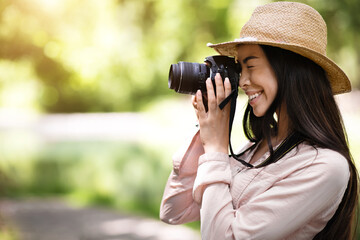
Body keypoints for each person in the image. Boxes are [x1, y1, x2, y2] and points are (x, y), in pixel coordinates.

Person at [159, 2, 358, 240]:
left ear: (289, 68)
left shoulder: (325, 166)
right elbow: (174, 210)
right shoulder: (260, 146)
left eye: (250, 65)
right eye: (239, 68)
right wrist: (207, 132)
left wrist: (216, 148)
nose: (242, 81)